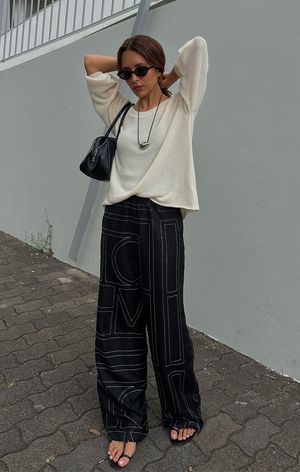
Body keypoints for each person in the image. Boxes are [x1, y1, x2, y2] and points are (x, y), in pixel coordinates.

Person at [84, 33, 208, 468]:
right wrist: (126, 66)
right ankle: (123, 421)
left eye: (141, 70)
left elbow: (196, 48)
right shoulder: (117, 109)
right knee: (118, 316)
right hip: (118, 220)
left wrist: (164, 77)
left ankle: (181, 409)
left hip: (162, 219)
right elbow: (89, 63)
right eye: (127, 72)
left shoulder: (182, 106)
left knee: (166, 316)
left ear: (157, 67)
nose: (133, 79)